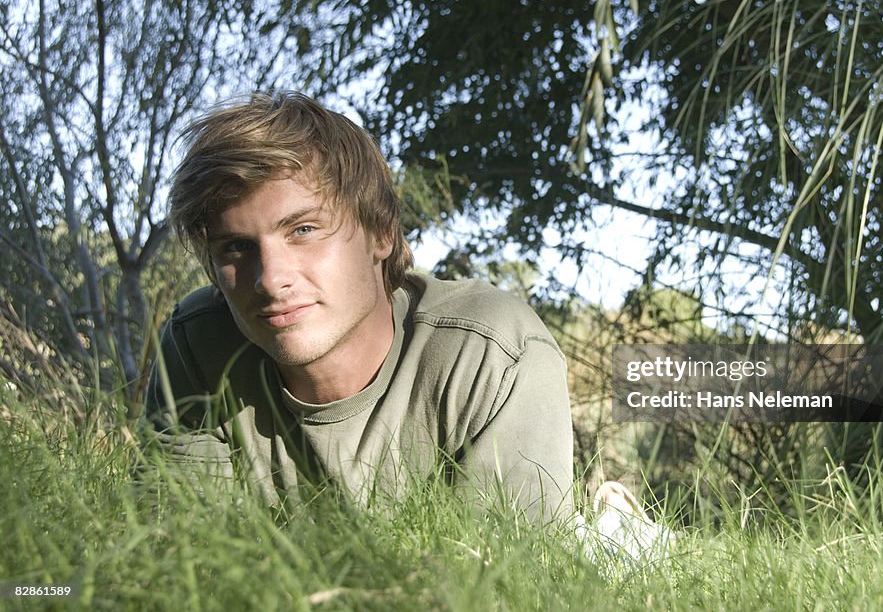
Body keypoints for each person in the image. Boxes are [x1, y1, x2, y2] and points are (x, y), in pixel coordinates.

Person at [146, 91, 573, 521]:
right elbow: (180, 557)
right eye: (236, 246)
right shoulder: (199, 343)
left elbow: (506, 576)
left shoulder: (490, 350)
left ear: (381, 234)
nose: (271, 280)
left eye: (304, 229)